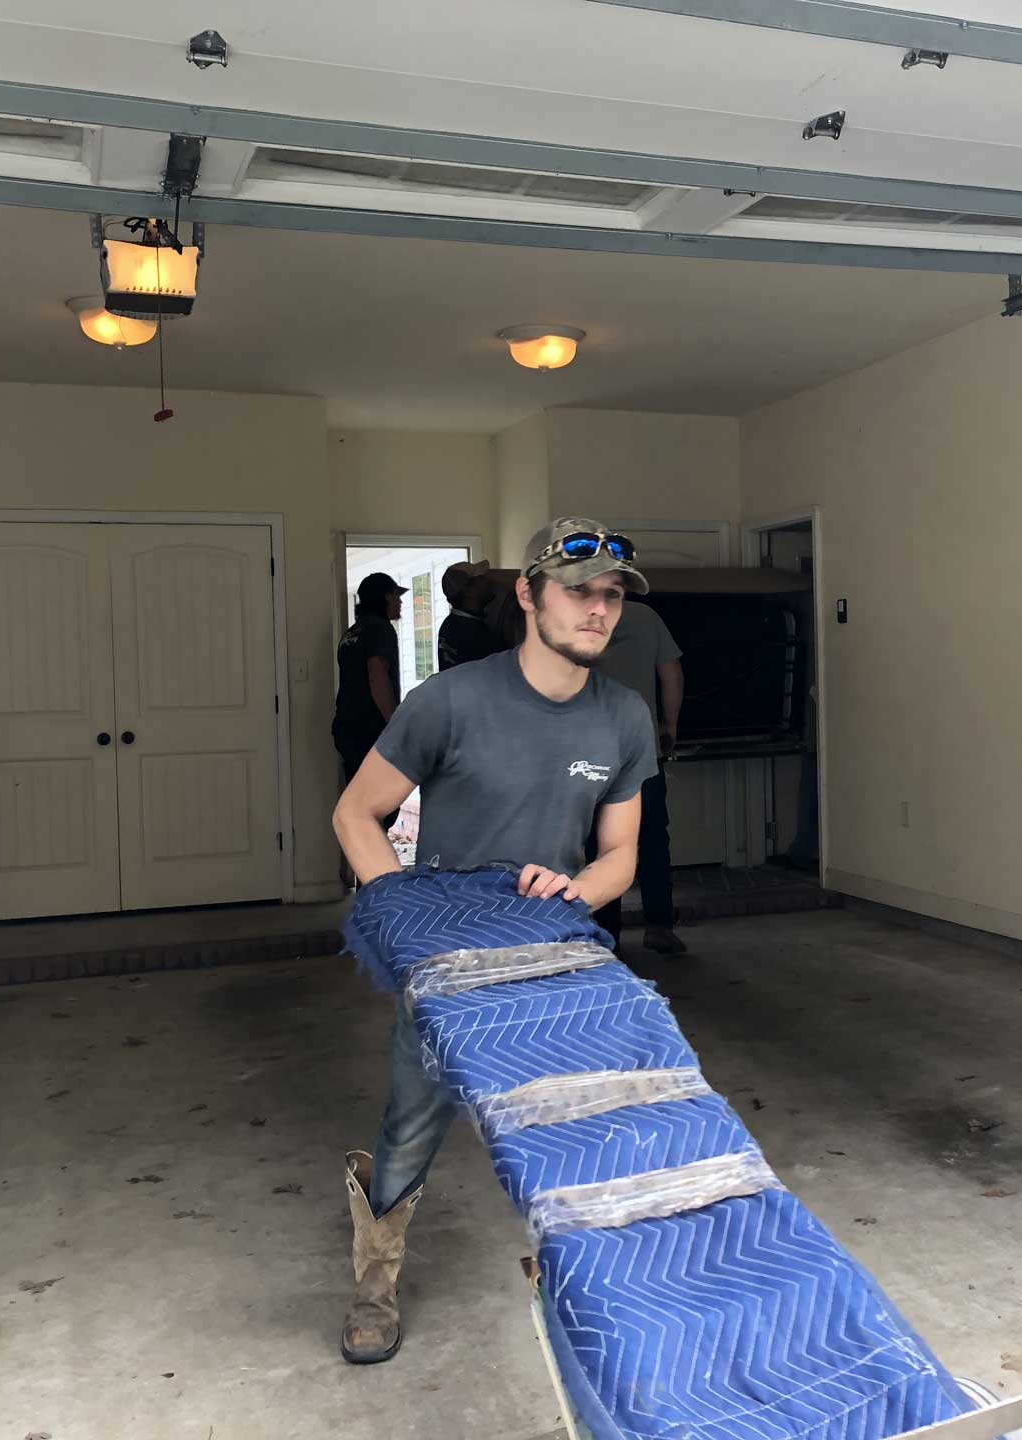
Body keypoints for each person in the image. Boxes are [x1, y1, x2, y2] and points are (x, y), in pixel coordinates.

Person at [329, 517, 657, 1366]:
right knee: (410, 1129)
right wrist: (407, 930)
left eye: (612, 596)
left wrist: (574, 892)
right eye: (578, 590)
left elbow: (619, 856)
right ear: (527, 594)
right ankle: (373, 1281)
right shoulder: (450, 699)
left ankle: (587, 1286)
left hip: (556, 963)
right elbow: (354, 814)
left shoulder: (623, 717)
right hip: (447, 965)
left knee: (580, 1129)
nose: (598, 609)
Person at [592, 598, 688, 956]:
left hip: (588, 747)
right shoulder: (646, 616)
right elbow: (672, 673)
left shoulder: (575, 614)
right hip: (641, 746)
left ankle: (605, 937)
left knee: (594, 844)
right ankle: (660, 926)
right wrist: (669, 725)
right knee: (650, 838)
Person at [331, 572, 407, 784]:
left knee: (359, 795)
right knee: (383, 801)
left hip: (347, 728)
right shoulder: (380, 629)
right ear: (384, 597)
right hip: (370, 730)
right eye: (395, 595)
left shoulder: (351, 633)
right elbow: (377, 676)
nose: (399, 601)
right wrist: (395, 724)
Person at [436, 558, 505, 671]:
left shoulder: (450, 625)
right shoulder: (474, 633)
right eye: (481, 578)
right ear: (469, 591)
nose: (489, 581)